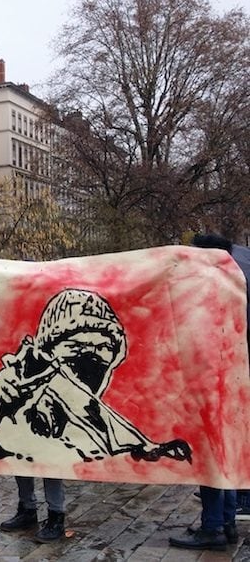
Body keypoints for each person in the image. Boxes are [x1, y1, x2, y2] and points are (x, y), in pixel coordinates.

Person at [169, 234, 240, 551]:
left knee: (211, 456)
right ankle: (226, 522)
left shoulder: (209, 290)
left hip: (212, 385)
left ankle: (212, 528)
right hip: (233, 385)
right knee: (226, 455)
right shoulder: (234, 281)